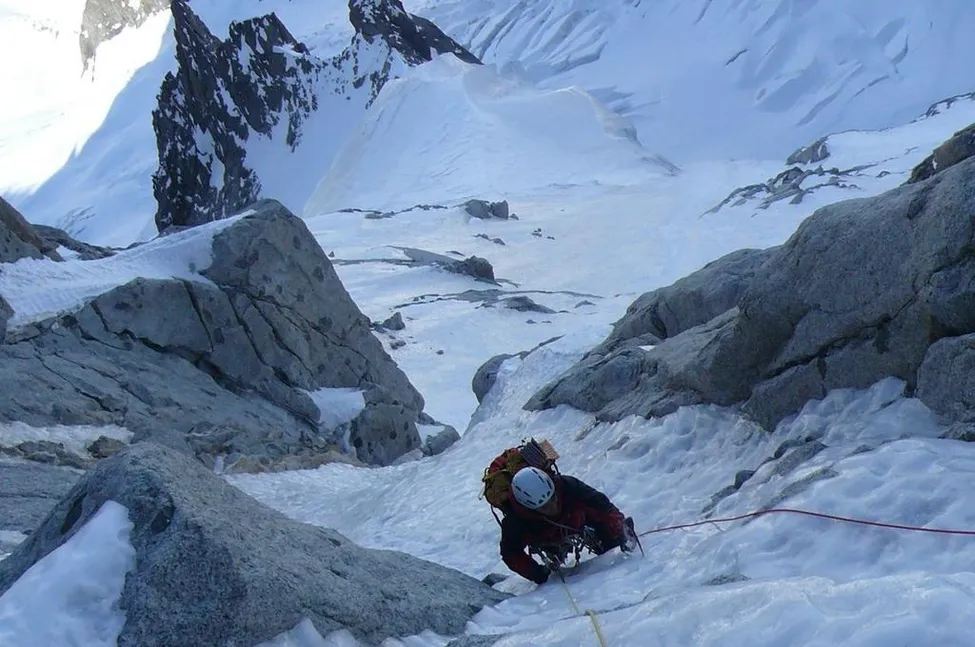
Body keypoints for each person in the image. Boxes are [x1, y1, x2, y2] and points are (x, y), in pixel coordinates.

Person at [500, 466, 633, 584]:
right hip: (545, 536)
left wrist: (619, 528)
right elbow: (510, 553)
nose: (552, 507)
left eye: (553, 498)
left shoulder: (567, 485)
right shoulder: (515, 521)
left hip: (575, 520)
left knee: (605, 531)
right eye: (544, 506)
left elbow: (601, 506)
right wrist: (536, 572)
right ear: (530, 508)